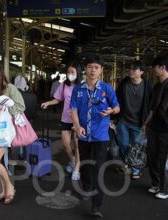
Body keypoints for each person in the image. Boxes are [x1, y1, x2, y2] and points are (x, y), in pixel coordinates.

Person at [70, 54, 120, 218]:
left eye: (96, 67)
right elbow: (73, 109)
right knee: (85, 164)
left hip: (101, 136)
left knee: (99, 169)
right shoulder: (78, 89)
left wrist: (111, 111)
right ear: (86, 69)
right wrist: (77, 127)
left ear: (101, 70)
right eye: (90, 67)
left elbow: (117, 107)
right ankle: (86, 186)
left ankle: (96, 206)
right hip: (83, 135)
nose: (93, 70)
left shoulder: (107, 88)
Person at [0, 63, 25, 204]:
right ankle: (3, 191)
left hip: (6, 131)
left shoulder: (10, 88)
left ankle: (10, 187)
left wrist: (3, 106)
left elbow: (21, 106)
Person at [41, 62, 82, 181]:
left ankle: (77, 169)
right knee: (66, 144)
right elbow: (58, 99)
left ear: (78, 73)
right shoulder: (64, 85)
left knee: (77, 144)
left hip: (78, 120)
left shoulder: (83, 86)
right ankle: (73, 161)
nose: (70, 74)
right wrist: (48, 103)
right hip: (66, 119)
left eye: (72, 72)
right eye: (68, 72)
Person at [115, 60, 152, 179]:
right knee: (123, 144)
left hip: (139, 122)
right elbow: (116, 99)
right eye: (130, 69)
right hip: (123, 120)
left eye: (134, 69)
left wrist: (147, 123)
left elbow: (151, 106)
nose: (130, 71)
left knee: (137, 147)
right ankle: (129, 163)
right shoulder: (124, 83)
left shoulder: (147, 86)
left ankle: (135, 169)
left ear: (141, 72)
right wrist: (113, 119)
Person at [143, 55, 168, 200]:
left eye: (155, 67)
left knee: (161, 159)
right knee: (152, 157)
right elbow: (152, 109)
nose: (153, 70)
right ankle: (156, 184)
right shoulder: (157, 86)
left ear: (162, 67)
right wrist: (146, 123)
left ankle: (164, 189)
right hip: (154, 128)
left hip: (166, 130)